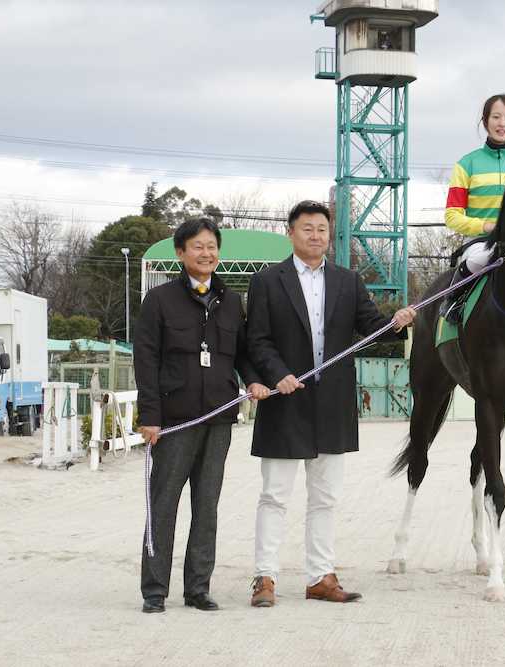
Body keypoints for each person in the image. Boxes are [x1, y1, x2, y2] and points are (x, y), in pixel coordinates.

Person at [246, 200, 416, 607]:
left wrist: (398, 322)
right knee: (275, 495)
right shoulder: (268, 281)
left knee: (325, 498)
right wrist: (277, 374)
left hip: (332, 404)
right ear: (291, 232)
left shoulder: (348, 280)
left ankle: (320, 577)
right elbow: (257, 339)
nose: (316, 236)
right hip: (285, 401)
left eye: (322, 229)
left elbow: (370, 329)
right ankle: (265, 578)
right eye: (307, 228)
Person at [134, 217, 270, 614]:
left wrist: (253, 381)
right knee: (163, 505)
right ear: (181, 253)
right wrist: (150, 416)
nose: (206, 253)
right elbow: (146, 360)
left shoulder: (230, 300)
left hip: (218, 419)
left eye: (212, 246)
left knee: (206, 506)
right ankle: (154, 591)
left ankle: (198, 588)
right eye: (197, 247)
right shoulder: (159, 301)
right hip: (176, 421)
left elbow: (242, 352)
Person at [439, 93, 505, 322]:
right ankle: (452, 302)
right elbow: (452, 216)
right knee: (479, 260)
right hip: (481, 242)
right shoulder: (466, 164)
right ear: (485, 122)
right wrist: (486, 226)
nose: (502, 123)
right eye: (496, 117)